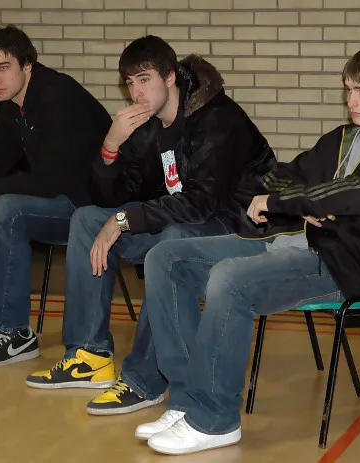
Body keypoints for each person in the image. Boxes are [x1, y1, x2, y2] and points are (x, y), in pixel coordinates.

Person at [139, 47, 360, 455]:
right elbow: (277, 179)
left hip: (347, 265)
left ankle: (216, 419)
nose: (352, 101)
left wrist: (300, 201)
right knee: (166, 258)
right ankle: (188, 401)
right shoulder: (340, 139)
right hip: (295, 244)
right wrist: (303, 202)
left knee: (229, 280)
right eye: (348, 90)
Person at [25, 36, 282, 413]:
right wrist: (110, 147)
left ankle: (145, 380)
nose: (136, 93)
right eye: (130, 83)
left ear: (171, 77)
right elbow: (109, 199)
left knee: (171, 241)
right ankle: (89, 355)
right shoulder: (144, 125)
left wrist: (125, 220)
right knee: (87, 220)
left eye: (144, 80)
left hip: (238, 227)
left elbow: (202, 203)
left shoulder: (218, 119)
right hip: (177, 220)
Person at [0, 25, 112, 371]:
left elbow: (50, 180)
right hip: (53, 196)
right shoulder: (14, 101)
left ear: (27, 66)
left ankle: (15, 332)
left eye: (3, 68)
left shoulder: (59, 97)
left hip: (86, 206)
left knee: (7, 209)